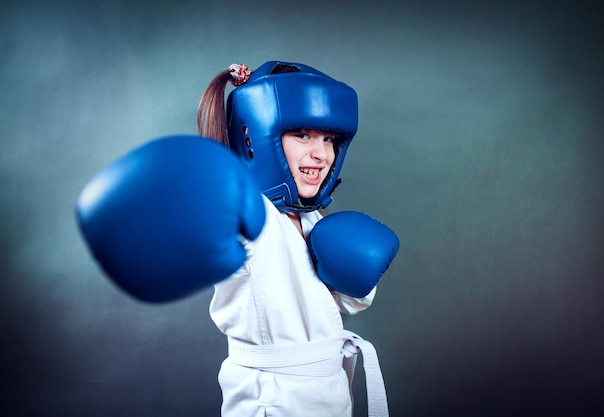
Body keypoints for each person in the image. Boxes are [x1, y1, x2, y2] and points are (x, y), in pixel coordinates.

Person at [75, 61, 399, 417]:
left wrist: (356, 275)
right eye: (302, 135)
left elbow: (343, 305)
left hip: (330, 394)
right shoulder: (247, 213)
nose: (321, 154)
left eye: (329, 139)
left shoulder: (309, 217)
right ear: (254, 136)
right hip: (272, 401)